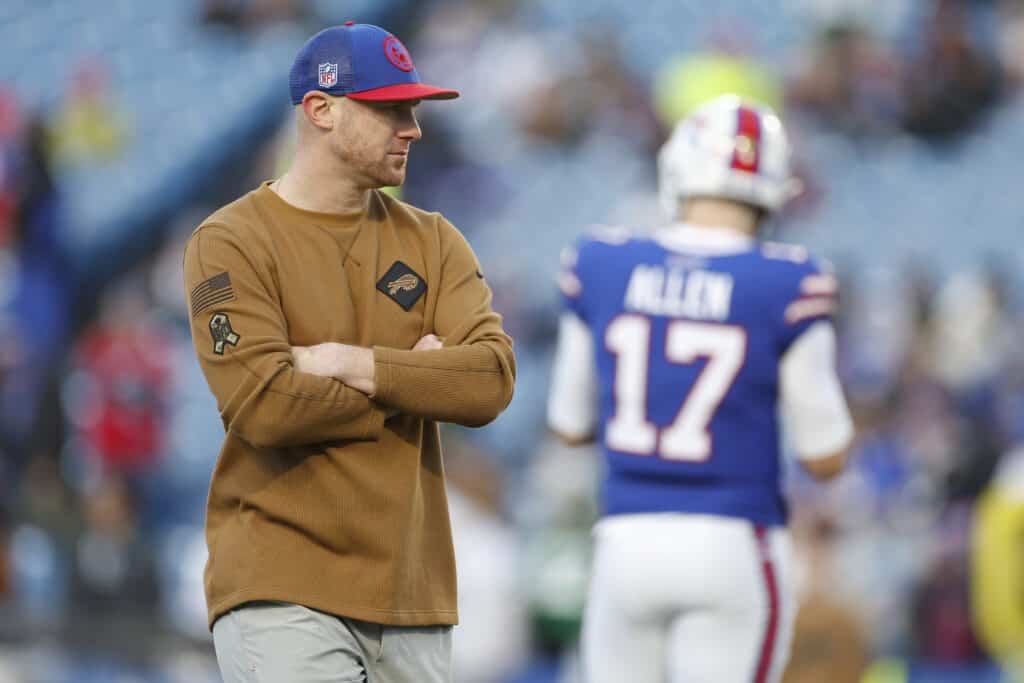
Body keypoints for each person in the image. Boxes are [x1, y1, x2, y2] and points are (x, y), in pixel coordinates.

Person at [182, 22, 515, 683]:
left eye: (413, 107)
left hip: (414, 597)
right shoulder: (230, 242)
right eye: (390, 107)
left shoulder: (435, 239)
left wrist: (351, 362)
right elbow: (266, 405)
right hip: (283, 582)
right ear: (321, 110)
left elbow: (489, 382)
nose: (412, 126)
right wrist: (413, 378)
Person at [547, 94, 854, 683]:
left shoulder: (601, 262)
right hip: (732, 541)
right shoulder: (788, 280)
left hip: (625, 540)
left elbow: (568, 425)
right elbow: (824, 454)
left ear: (677, 170)